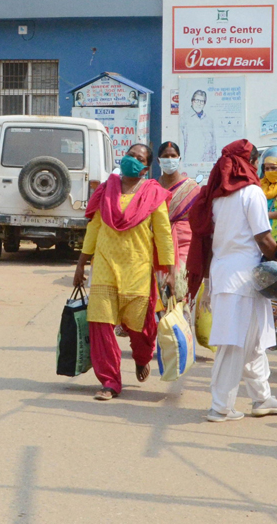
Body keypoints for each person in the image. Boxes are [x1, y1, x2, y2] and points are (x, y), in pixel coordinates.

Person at [187, 140, 277, 422]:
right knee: (233, 344)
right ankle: (220, 406)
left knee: (253, 341)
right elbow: (263, 237)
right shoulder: (252, 192)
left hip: (226, 274)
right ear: (250, 163)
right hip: (245, 276)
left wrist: (208, 280)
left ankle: (262, 398)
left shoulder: (216, 197)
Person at [73, 144, 175, 400]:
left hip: (137, 269)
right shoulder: (106, 190)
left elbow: (163, 235)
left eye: (138, 158)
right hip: (105, 266)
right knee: (100, 324)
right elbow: (94, 227)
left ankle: (141, 358)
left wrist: (171, 272)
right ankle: (109, 381)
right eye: (130, 155)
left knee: (141, 329)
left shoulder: (153, 193)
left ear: (145, 168)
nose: (132, 160)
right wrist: (81, 263)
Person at [154, 141, 200, 274]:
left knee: (181, 281)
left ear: (179, 159)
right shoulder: (152, 187)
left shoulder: (191, 188)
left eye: (173, 156)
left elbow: (199, 220)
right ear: (158, 160)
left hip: (185, 244)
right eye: (165, 156)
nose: (169, 159)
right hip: (159, 244)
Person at [180, 89, 217, 163]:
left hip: (207, 162)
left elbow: (213, 143)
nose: (199, 104)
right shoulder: (184, 118)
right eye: (197, 100)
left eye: (202, 101)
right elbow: (181, 143)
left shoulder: (209, 120)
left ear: (204, 103)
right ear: (192, 101)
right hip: (190, 162)